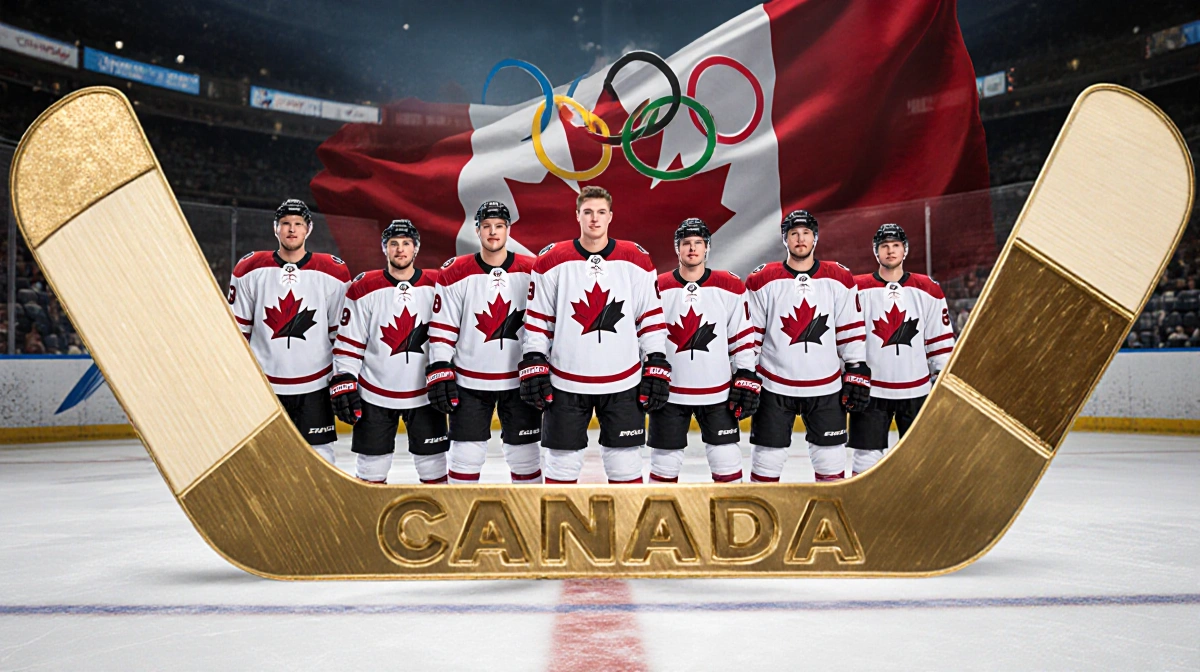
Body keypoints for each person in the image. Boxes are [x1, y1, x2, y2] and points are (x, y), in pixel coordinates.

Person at [520, 185, 669, 484]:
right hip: (565, 380)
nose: (594, 219)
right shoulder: (551, 259)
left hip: (623, 380)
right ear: (577, 215)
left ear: (611, 216)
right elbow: (538, 321)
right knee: (561, 468)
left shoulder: (636, 258)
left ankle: (627, 531)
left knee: (625, 467)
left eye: (601, 212)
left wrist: (656, 361)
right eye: (587, 212)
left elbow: (650, 317)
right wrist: (534, 360)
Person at [745, 210, 869, 482]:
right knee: (766, 464)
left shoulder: (839, 277)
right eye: (793, 234)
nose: (800, 239)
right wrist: (744, 372)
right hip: (773, 385)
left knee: (832, 467)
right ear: (784, 239)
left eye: (806, 233)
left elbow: (850, 330)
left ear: (815, 238)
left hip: (826, 387)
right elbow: (751, 335)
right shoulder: (762, 279)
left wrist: (856, 367)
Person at [426, 201, 543, 484]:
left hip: (519, 382)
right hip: (469, 382)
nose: (493, 232)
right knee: (465, 456)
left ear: (508, 230)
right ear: (477, 230)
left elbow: (542, 323)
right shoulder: (455, 271)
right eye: (487, 227)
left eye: (499, 226)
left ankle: (527, 523)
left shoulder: (532, 269)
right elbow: (443, 326)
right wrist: (440, 367)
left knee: (525, 457)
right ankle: (458, 520)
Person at [228, 199, 350, 464]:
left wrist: (343, 376)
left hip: (316, 384)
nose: (291, 229)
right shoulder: (249, 269)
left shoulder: (333, 272)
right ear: (275, 228)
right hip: (266, 386)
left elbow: (340, 336)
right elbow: (237, 333)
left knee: (321, 459)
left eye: (298, 224)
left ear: (308, 229)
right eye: (285, 224)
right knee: (264, 460)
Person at [329, 220, 448, 484]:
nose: (400, 249)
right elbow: (349, 343)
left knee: (435, 471)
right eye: (393, 244)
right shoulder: (364, 287)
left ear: (416, 248)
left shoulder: (437, 284)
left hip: (425, 395)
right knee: (370, 473)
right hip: (374, 394)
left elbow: (450, 335)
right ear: (385, 248)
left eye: (406, 243)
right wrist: (345, 380)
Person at [648, 218, 760, 483]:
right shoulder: (658, 287)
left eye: (698, 243)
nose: (692, 248)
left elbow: (741, 334)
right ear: (677, 248)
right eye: (686, 243)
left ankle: (731, 523)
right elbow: (648, 334)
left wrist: (745, 372)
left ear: (707, 247)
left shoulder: (729, 285)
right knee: (663, 467)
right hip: (670, 392)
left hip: (718, 391)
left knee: (727, 463)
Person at [849, 224, 955, 476]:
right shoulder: (857, 289)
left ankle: (916, 509)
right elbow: (848, 336)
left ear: (905, 250)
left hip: (916, 390)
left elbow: (939, 338)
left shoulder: (928, 288)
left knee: (919, 457)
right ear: (876, 252)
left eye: (895, 245)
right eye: (884, 246)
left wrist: (941, 376)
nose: (890, 251)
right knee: (866, 458)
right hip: (872, 390)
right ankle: (864, 507)